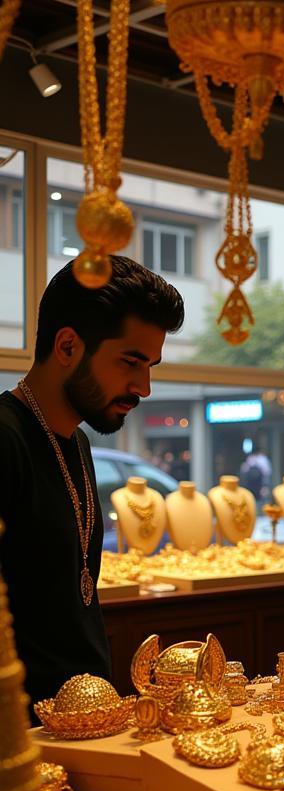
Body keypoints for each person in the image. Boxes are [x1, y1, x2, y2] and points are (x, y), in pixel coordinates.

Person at [0, 257, 184, 708]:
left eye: (151, 366)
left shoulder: (79, 443)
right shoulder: (5, 440)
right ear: (67, 347)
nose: (143, 387)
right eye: (130, 362)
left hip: (87, 722)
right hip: (25, 742)